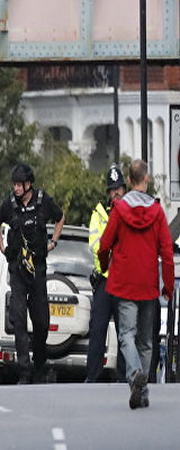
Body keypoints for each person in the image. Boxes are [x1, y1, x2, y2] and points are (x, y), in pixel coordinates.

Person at [98, 159, 174, 409]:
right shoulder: (157, 210)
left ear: (129, 181)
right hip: (149, 283)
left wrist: (105, 265)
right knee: (146, 341)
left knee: (126, 336)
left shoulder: (119, 209)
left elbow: (105, 244)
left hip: (125, 283)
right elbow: (166, 250)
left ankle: (135, 377)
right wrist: (169, 286)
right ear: (147, 179)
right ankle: (142, 392)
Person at [0, 163, 65, 384]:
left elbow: (60, 217)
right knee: (19, 319)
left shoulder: (43, 201)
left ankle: (40, 364)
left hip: (38, 269)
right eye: (14, 184)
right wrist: (3, 247)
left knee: (42, 321)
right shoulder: (10, 205)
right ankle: (25, 370)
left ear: (28, 184)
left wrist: (53, 242)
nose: (15, 188)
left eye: (19, 184)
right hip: (17, 269)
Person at [86, 164, 126, 383]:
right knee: (97, 329)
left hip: (123, 280)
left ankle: (122, 376)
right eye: (113, 190)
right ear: (108, 192)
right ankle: (92, 376)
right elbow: (95, 245)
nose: (116, 193)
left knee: (125, 332)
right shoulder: (99, 214)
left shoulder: (130, 211)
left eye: (119, 188)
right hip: (104, 280)